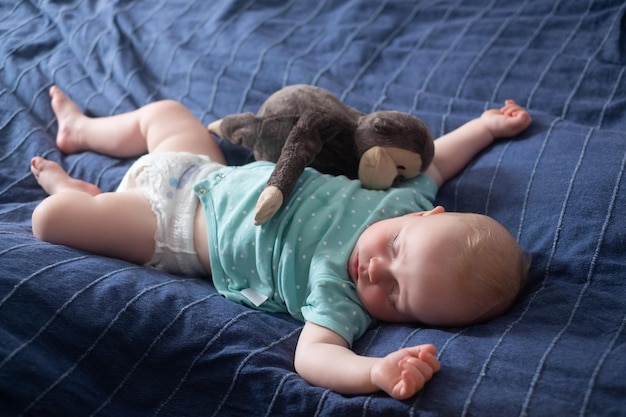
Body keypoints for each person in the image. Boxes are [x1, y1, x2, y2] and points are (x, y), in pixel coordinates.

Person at [30, 86, 531, 400]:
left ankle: (74, 191)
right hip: (204, 170)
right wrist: (486, 126)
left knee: (50, 220)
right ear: (426, 213)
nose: (376, 272)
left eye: (397, 295)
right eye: (397, 250)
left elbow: (313, 359)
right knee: (164, 111)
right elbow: (438, 160)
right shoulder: (400, 199)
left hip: (169, 225)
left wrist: (374, 371)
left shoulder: (342, 300)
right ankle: (83, 130)